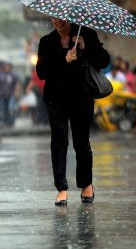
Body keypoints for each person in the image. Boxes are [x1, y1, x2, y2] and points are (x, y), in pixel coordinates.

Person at [36, 17, 110, 206]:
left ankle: (86, 185)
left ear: (70, 17)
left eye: (61, 18)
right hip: (56, 99)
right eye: (53, 18)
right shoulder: (47, 41)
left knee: (81, 142)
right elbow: (41, 71)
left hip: (81, 97)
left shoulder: (85, 34)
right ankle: (61, 189)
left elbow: (103, 61)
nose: (57, 21)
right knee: (59, 142)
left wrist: (87, 47)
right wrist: (64, 59)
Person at [0, 62, 18, 128]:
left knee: (10, 108)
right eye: (6, 67)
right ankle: (2, 122)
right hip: (1, 94)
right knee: (2, 108)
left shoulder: (12, 75)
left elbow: (16, 83)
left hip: (10, 94)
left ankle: (10, 122)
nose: (7, 69)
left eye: (8, 67)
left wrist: (16, 91)